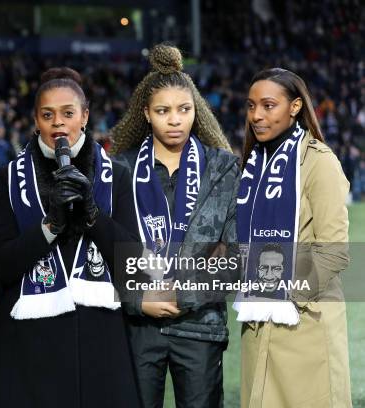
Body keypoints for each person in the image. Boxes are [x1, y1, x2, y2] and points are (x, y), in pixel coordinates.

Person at [0, 67, 140, 408]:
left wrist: (92, 215)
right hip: (29, 344)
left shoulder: (117, 174)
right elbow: (2, 265)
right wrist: (49, 226)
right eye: (47, 114)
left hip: (100, 339)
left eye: (68, 113)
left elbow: (133, 264)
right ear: (35, 120)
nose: (58, 123)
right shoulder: (9, 177)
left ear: (84, 116)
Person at [111, 44, 240, 408]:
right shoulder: (119, 169)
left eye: (184, 110)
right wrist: (138, 301)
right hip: (138, 327)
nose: (175, 120)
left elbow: (235, 254)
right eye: (163, 111)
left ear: (195, 112)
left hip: (200, 325)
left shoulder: (223, 168)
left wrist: (181, 295)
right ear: (146, 114)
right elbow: (102, 253)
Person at [235, 67, 352, 407]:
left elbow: (334, 253)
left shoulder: (319, 162)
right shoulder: (252, 165)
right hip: (258, 328)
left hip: (305, 325)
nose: (256, 115)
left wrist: (282, 292)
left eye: (268, 105)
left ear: (295, 107)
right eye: (251, 105)